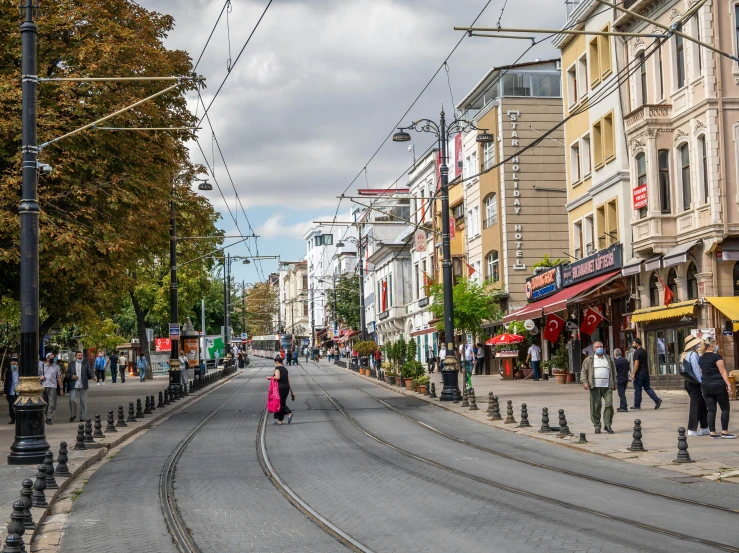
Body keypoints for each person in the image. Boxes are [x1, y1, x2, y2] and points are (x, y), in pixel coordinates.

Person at [699, 342, 735, 439]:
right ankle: (725, 431)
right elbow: (722, 371)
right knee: (725, 408)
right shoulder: (716, 357)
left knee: (711, 410)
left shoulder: (701, 358)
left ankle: (713, 433)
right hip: (718, 385)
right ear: (711, 346)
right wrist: (728, 384)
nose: (716, 346)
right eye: (714, 344)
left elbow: (701, 372)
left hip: (706, 385)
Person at [581, 341, 617, 434]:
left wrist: (614, 383)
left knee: (609, 405)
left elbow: (613, 372)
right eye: (597, 347)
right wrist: (584, 382)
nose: (600, 348)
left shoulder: (608, 359)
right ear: (593, 349)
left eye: (601, 346)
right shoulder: (589, 360)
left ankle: (607, 425)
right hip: (595, 386)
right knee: (596, 407)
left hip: (607, 386)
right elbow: (584, 372)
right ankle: (597, 425)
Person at [681, 335, 709, 437]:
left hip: (688, 381)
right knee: (695, 405)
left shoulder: (685, 354)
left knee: (701, 403)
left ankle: (705, 427)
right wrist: (701, 381)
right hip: (694, 382)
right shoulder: (693, 354)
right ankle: (691, 429)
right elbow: (696, 369)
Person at [631, 338, 662, 409]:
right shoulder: (644, 351)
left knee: (638, 389)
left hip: (639, 373)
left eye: (633, 343)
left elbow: (636, 364)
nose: (632, 345)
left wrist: (633, 374)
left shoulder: (636, 352)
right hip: (645, 372)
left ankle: (637, 405)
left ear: (637, 344)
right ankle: (657, 400)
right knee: (647, 388)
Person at [68, 351, 96, 423]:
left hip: (83, 385)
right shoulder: (71, 364)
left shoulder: (85, 363)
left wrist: (94, 376)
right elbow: (67, 374)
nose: (80, 356)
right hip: (74, 385)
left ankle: (82, 417)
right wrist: (72, 376)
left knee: (83, 401)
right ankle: (73, 415)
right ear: (75, 356)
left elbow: (90, 371)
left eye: (81, 355)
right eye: (78, 355)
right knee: (72, 400)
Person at [266, 355, 295, 425]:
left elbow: (277, 377)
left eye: (275, 362)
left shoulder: (277, 368)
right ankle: (280, 420)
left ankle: (289, 413)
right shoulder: (285, 369)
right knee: (282, 402)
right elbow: (288, 381)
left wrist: (269, 377)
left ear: (277, 362)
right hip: (286, 388)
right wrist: (292, 392)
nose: (275, 364)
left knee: (279, 403)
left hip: (280, 388)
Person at [39, 352, 63, 425]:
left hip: (53, 386)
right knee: (44, 402)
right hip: (43, 386)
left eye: (53, 357)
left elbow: (58, 378)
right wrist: (40, 378)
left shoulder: (56, 367)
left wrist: (61, 388)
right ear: (47, 358)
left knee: (52, 403)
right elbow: (36, 376)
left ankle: (49, 418)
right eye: (51, 357)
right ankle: (46, 416)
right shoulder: (41, 366)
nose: (52, 359)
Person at [3, 355, 19, 424]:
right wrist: (5, 392)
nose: (13, 366)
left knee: (18, 405)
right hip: (11, 390)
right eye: (12, 364)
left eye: (14, 364)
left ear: (17, 363)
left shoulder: (20, 370)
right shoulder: (9, 371)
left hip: (19, 391)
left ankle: (19, 418)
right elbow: (6, 382)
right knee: (11, 405)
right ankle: (13, 418)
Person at [613, 348, 630, 413]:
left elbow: (615, 371)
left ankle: (624, 406)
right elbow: (628, 369)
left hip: (620, 379)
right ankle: (621, 406)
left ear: (615, 354)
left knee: (621, 393)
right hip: (625, 378)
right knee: (623, 392)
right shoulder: (625, 360)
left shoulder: (616, 361)